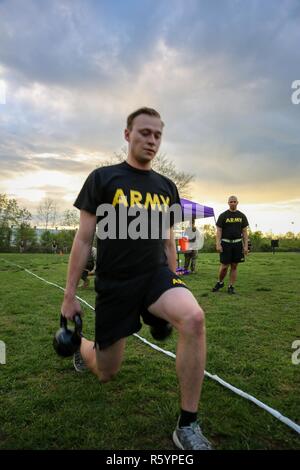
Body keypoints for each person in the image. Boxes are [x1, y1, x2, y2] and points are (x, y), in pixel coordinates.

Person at [61, 107, 212, 450]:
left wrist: (175, 280)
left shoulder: (166, 187)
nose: (152, 140)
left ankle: (187, 425)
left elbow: (168, 239)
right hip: (115, 283)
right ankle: (83, 348)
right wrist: (69, 296)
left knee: (193, 317)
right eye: (145, 133)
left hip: (154, 275)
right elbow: (84, 240)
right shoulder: (103, 178)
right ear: (127, 135)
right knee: (105, 370)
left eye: (158, 135)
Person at [212, 196, 249, 294]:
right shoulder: (223, 215)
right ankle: (220, 282)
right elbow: (219, 231)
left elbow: (245, 232)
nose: (233, 203)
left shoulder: (242, 216)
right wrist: (218, 244)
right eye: (231, 202)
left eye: (234, 201)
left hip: (237, 244)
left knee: (234, 266)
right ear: (228, 203)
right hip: (225, 243)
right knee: (224, 266)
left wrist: (245, 246)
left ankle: (231, 286)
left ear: (237, 202)